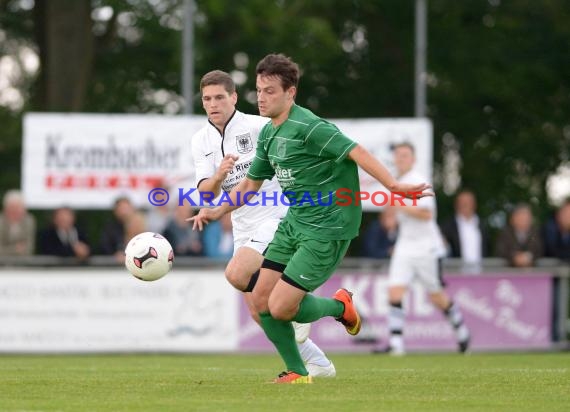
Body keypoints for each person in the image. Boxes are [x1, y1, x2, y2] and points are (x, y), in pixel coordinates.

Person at [190, 55, 432, 383]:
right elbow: (249, 185)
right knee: (261, 302)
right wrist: (217, 210)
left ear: (291, 93)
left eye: (270, 91)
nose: (261, 97)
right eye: (259, 90)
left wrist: (393, 186)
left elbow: (357, 151)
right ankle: (299, 371)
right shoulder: (268, 135)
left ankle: (337, 307)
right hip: (295, 223)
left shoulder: (310, 127)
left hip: (327, 225)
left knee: (278, 306)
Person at [190, 69, 336, 379]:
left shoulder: (259, 126)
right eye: (207, 99)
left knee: (237, 273)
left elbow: (298, 147)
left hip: (277, 215)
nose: (213, 104)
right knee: (260, 309)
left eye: (219, 97)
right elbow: (205, 192)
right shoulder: (200, 140)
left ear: (233, 97)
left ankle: (302, 313)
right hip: (243, 224)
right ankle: (317, 361)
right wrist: (218, 176)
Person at [385, 142, 470, 356]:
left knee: (437, 297)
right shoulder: (397, 183)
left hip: (426, 248)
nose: (401, 159)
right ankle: (396, 345)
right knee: (395, 291)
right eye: (398, 155)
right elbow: (396, 217)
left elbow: (427, 215)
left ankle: (462, 333)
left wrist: (401, 206)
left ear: (413, 159)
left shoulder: (419, 181)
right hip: (405, 246)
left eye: (405, 155)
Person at [440, 190, 490, 269]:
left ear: (474, 204)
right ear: (456, 204)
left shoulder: (482, 224)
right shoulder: (448, 226)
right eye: (462, 202)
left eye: (468, 202)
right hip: (456, 272)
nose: (465, 205)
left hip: (480, 272)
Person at [100, 196, 136, 263]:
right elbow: (105, 247)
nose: (124, 212)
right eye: (121, 209)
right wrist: (114, 255)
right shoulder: (110, 229)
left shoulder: (141, 227)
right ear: (116, 211)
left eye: (126, 208)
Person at [0, 190, 36, 257]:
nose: (15, 211)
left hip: (22, 263)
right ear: (5, 209)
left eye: (18, 208)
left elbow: (29, 248)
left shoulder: (29, 221)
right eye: (12, 208)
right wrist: (15, 249)